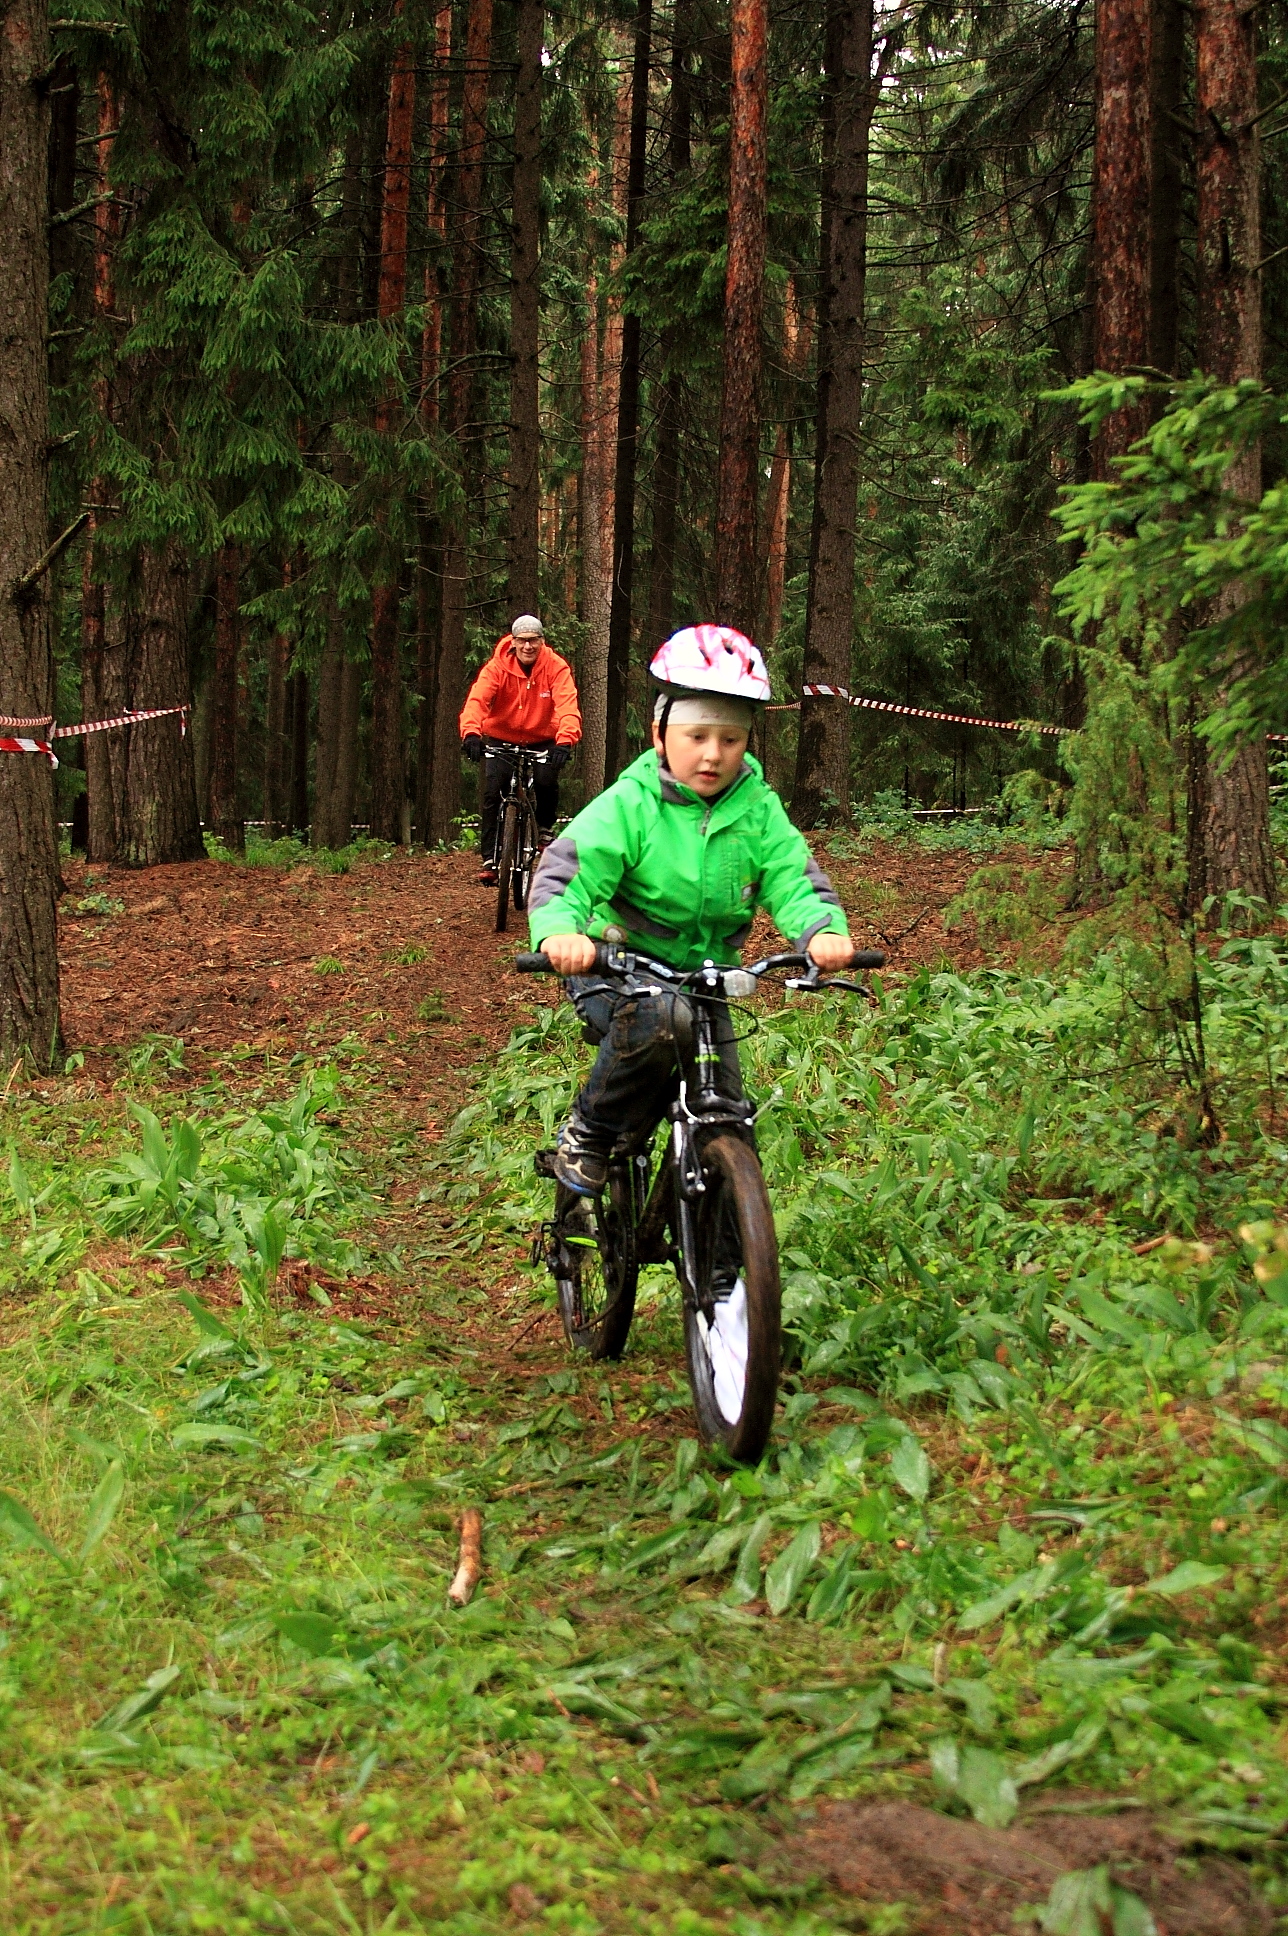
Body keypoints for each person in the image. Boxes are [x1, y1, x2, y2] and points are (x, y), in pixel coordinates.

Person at [527, 622, 855, 1196]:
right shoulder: (631, 805)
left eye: (730, 739)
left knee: (729, 1115)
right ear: (660, 735)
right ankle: (591, 1132)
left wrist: (820, 931)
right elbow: (568, 871)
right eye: (696, 735)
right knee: (661, 1020)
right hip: (617, 967)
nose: (712, 754)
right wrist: (560, 932)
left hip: (707, 977)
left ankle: (729, 1248)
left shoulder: (757, 810)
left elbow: (792, 877)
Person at [459, 615, 581, 886]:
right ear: (513, 642)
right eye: (523, 641)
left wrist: (565, 740)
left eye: (533, 640)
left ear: (542, 641)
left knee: (546, 780)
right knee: (494, 789)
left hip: (543, 737)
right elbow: (477, 701)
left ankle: (544, 829)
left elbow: (567, 705)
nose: (528, 646)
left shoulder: (555, 667)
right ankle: (490, 859)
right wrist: (471, 733)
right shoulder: (496, 668)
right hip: (502, 737)